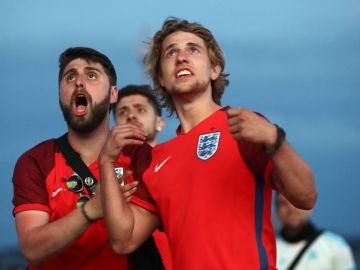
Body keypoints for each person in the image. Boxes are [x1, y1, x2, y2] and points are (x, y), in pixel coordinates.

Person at [99, 17, 317, 269]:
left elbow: (306, 197)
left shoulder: (242, 126)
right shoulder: (157, 160)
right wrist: (106, 162)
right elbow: (124, 241)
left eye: (193, 49)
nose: (181, 57)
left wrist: (274, 140)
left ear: (215, 69)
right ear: (160, 78)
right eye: (171, 52)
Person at [12, 47, 161, 270]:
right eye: (70, 77)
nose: (79, 82)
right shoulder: (36, 161)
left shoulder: (140, 157)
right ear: (60, 93)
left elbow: (126, 240)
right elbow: (32, 249)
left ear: (113, 94)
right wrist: (91, 210)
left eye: (91, 75)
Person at [113, 84, 173, 270]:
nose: (131, 116)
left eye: (141, 110)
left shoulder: (176, 166)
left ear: (159, 123)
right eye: (122, 112)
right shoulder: (109, 174)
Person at [275, 192, 356, 270]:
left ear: (309, 207)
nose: (291, 209)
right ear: (277, 211)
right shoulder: (268, 250)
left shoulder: (335, 245)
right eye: (283, 203)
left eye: (296, 202)